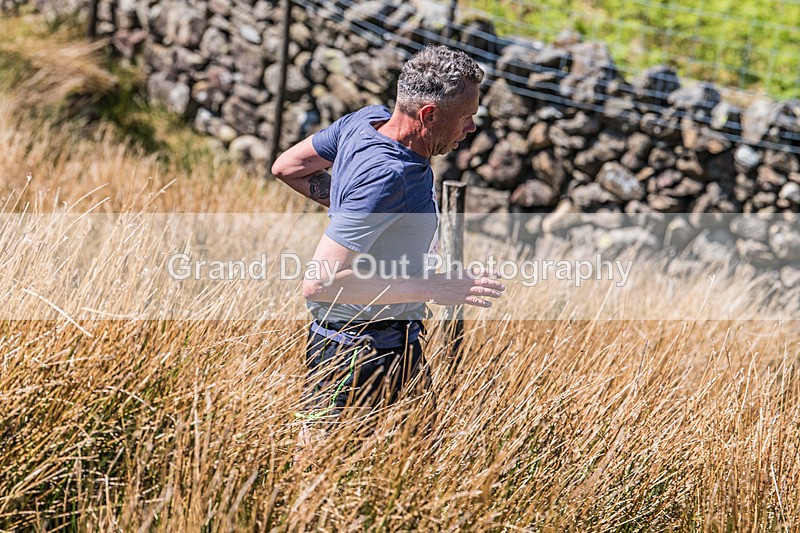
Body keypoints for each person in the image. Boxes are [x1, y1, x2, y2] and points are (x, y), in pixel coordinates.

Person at [271, 45, 505, 430]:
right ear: (428, 115)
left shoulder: (364, 122)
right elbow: (319, 283)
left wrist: (359, 210)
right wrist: (433, 287)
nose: (471, 129)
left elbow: (288, 167)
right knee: (317, 474)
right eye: (466, 118)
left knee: (418, 468)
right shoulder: (388, 176)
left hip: (395, 348)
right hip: (352, 357)